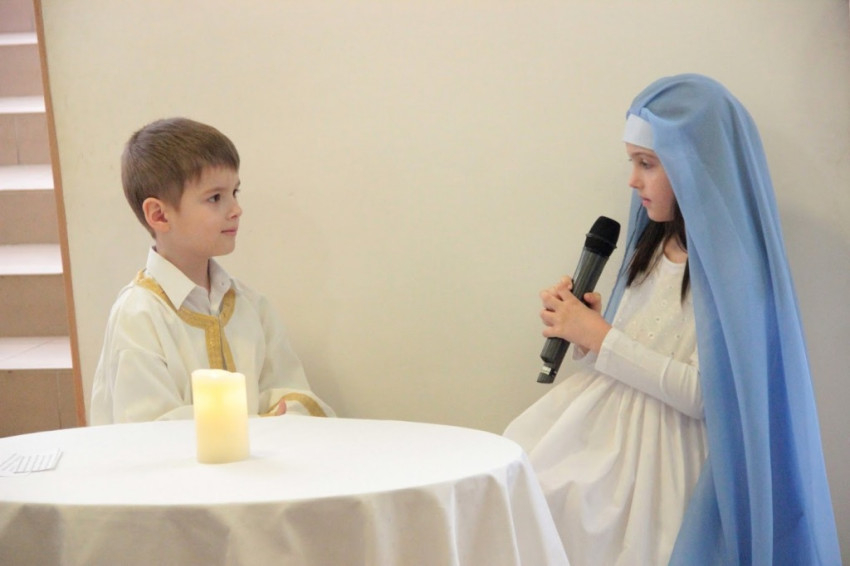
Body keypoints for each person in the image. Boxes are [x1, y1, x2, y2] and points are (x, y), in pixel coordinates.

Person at [504, 74, 840, 565]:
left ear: (694, 163)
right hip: (607, 436)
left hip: (663, 459)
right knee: (527, 485)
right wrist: (587, 332)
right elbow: (639, 345)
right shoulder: (653, 242)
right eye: (632, 162)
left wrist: (603, 337)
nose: (632, 180)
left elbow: (707, 393)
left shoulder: (734, 269)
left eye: (647, 163)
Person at [90, 117, 334, 424]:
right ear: (159, 215)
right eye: (215, 197)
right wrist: (258, 424)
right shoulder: (139, 316)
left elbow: (290, 391)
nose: (236, 209)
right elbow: (149, 430)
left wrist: (282, 416)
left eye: (235, 193)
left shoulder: (250, 305)